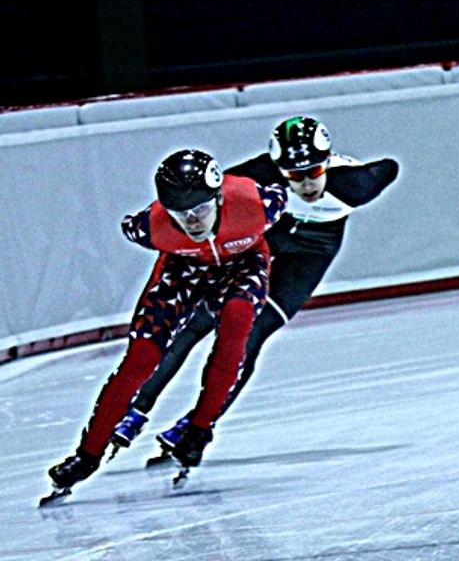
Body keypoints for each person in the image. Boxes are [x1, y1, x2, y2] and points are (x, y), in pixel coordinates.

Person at [110, 117, 399, 453]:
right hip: (270, 234)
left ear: (327, 161)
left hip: (314, 249)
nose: (306, 184)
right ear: (279, 169)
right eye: (294, 175)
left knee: (253, 333)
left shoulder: (356, 183)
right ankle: (136, 409)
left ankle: (198, 423)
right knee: (198, 319)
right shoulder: (259, 174)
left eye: (314, 171)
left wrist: (350, 167)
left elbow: (389, 167)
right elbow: (198, 194)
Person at [44, 150, 287, 499]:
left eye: (200, 209)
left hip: (243, 264)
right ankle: (87, 455)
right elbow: (129, 225)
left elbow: (287, 189)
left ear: (219, 197)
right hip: (181, 270)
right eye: (180, 214)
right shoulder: (151, 226)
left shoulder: (258, 205)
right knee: (140, 359)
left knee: (236, 323)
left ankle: (199, 431)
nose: (192, 221)